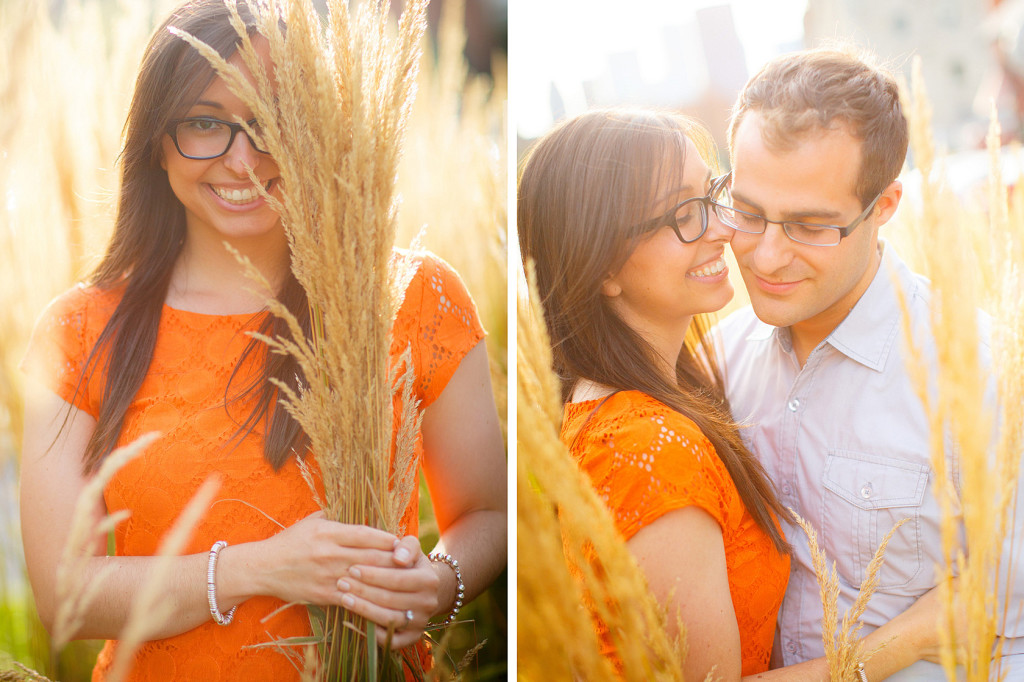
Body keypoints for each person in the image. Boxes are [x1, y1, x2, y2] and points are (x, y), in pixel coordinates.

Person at [18, 1, 506, 680]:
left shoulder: (413, 296)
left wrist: (440, 581)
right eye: (205, 122)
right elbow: (65, 593)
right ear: (157, 141)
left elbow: (489, 513)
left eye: (272, 117)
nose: (242, 158)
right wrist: (259, 569)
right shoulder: (80, 330)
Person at [518, 107, 947, 680]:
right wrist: (915, 634)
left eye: (714, 195)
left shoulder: (655, 393)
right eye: (684, 215)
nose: (724, 228)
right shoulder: (646, 444)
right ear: (602, 267)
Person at [713, 46, 1023, 677]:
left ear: (884, 207)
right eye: (747, 213)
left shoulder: (986, 376)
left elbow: (1012, 632)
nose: (766, 258)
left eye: (809, 225)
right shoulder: (716, 360)